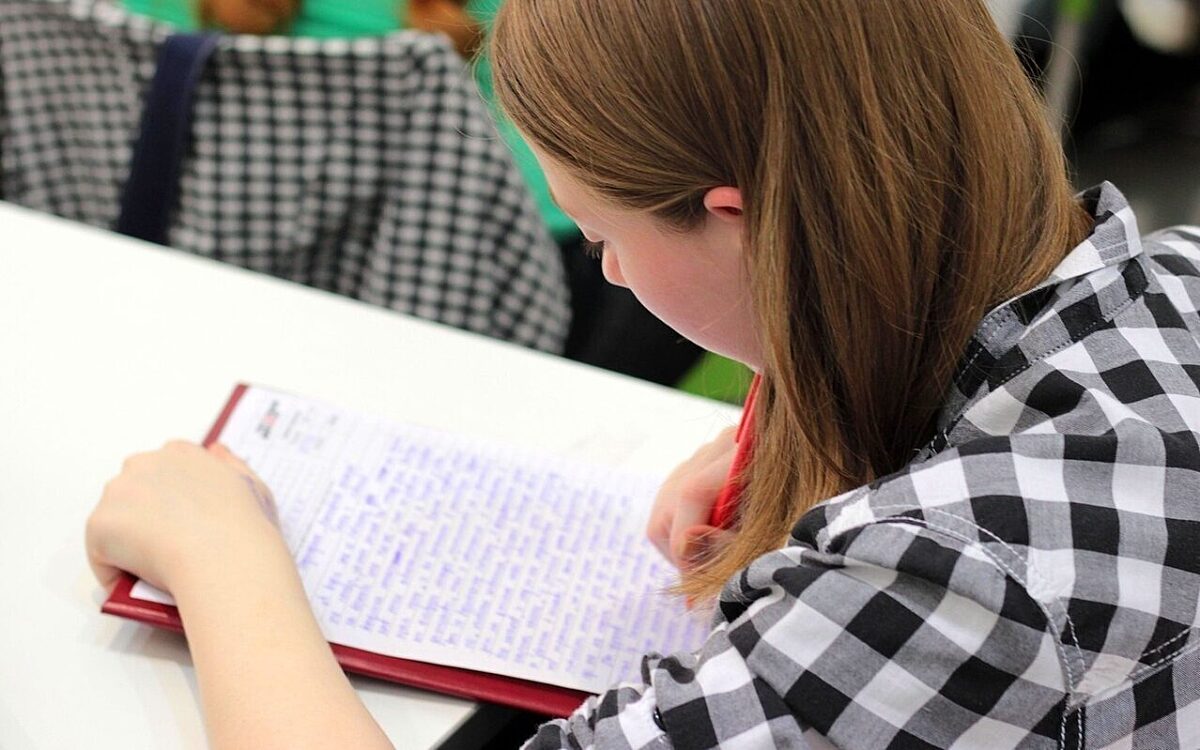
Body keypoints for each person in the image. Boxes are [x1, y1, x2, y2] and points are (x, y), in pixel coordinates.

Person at [86, 0, 1200, 747]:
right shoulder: (1171, 283)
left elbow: (968, 579)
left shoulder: (948, 587)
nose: (608, 275)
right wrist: (805, 428)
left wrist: (224, 558)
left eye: (602, 238)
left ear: (741, 221)